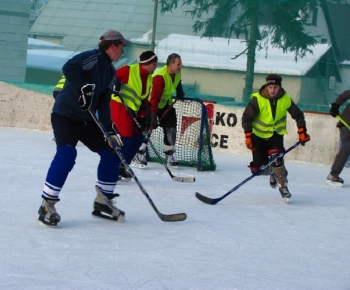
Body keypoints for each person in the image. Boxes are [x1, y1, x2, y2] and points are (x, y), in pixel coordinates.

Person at [38, 30, 131, 226]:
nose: (123, 52)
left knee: (112, 151)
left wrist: (109, 128)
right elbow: (69, 67)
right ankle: (47, 204)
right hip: (65, 115)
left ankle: (103, 202)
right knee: (67, 153)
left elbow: (104, 101)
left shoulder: (111, 71)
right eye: (122, 47)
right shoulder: (93, 57)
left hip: (88, 120)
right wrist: (82, 88)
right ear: (112, 46)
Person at [241, 74, 310, 200]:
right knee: (258, 169)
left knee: (277, 160)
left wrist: (302, 131)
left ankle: (283, 186)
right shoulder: (257, 99)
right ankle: (272, 171)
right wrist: (248, 136)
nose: (273, 90)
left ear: (280, 87)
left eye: (276, 87)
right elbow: (246, 118)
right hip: (258, 136)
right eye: (270, 87)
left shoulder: (286, 99)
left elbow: (298, 115)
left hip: (275, 135)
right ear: (267, 87)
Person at [110, 51, 158, 176]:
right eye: (154, 63)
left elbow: (143, 99)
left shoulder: (149, 78)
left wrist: (145, 116)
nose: (155, 66)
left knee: (139, 138)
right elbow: (110, 78)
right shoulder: (128, 70)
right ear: (146, 63)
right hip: (119, 106)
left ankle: (122, 166)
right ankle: (112, 167)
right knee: (127, 139)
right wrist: (115, 84)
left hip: (133, 111)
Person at [148, 53, 185, 167]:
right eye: (178, 64)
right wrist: (153, 116)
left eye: (181, 64)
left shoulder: (177, 73)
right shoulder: (160, 76)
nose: (180, 66)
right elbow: (154, 98)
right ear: (170, 64)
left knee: (171, 127)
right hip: (151, 104)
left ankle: (169, 154)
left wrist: (179, 90)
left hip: (165, 104)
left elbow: (177, 81)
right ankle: (139, 153)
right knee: (147, 128)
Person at [327, 90, 350, 186]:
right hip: (346, 123)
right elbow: (345, 95)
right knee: (348, 145)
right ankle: (333, 174)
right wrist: (336, 105)